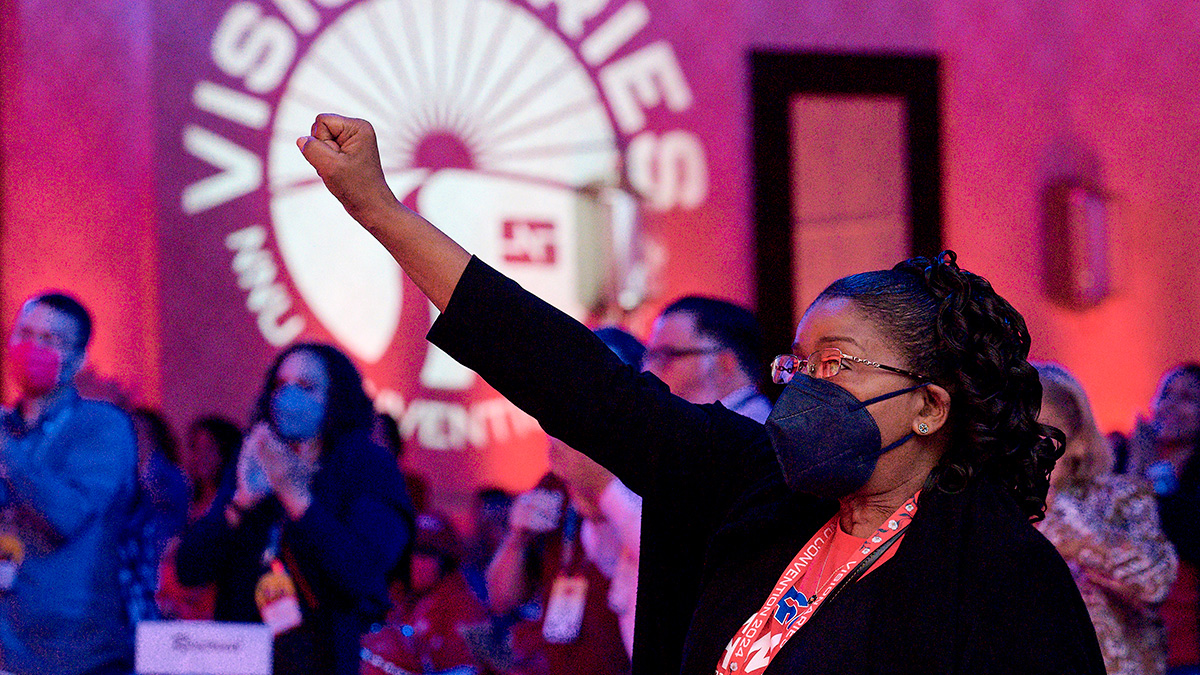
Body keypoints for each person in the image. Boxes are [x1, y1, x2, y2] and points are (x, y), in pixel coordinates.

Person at [297, 114, 1104, 674]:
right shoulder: (756, 481)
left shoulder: (999, 571)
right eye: (797, 364)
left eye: (839, 365)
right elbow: (572, 375)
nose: (805, 387)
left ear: (930, 406)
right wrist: (378, 208)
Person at [175, 342, 414, 675]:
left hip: (326, 659)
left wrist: (297, 499)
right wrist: (241, 503)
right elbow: (189, 570)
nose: (288, 397)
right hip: (241, 657)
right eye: (280, 385)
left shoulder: (370, 468)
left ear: (337, 397)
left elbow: (363, 572)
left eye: (305, 387)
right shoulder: (256, 459)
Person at [0, 292, 138, 674]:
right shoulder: (7, 427)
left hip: (75, 656)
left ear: (77, 360)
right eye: (24, 334)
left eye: (51, 340)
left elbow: (64, 516)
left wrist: (7, 452)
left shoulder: (102, 427)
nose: (32, 348)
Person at [1035, 363, 1178, 675]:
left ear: (1078, 441)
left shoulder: (1122, 497)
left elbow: (1155, 582)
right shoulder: (981, 504)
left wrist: (1057, 511)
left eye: (1040, 428)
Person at [1122, 364, 1200, 673]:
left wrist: (1156, 476)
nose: (1170, 405)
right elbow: (1111, 532)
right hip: (1129, 639)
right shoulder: (1124, 455)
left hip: (1186, 645)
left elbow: (1188, 538)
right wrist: (1136, 466)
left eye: (1188, 398)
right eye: (1165, 394)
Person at [642, 296, 771, 423]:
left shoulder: (754, 435)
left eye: (666, 356)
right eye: (649, 357)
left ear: (724, 364)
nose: (647, 371)